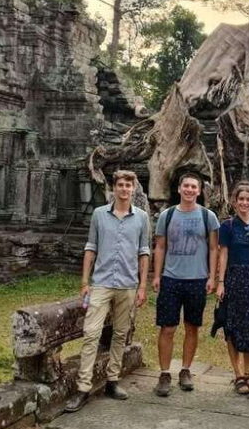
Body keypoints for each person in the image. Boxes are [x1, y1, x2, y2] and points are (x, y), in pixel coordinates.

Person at [65, 170, 151, 412]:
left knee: (120, 334)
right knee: (91, 333)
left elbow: (144, 252)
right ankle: (83, 387)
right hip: (101, 282)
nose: (124, 189)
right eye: (120, 185)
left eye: (128, 186)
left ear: (134, 189)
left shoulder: (142, 217)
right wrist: (85, 282)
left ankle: (112, 380)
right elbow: (91, 247)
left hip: (128, 284)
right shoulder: (99, 214)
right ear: (114, 188)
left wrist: (143, 286)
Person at [152, 172, 220, 396]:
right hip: (171, 278)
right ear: (179, 189)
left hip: (197, 279)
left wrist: (212, 277)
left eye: (194, 187)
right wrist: (157, 275)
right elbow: (160, 247)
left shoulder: (208, 216)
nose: (190, 190)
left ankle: (185, 370)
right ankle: (164, 373)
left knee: (192, 326)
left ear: (199, 191)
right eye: (186, 186)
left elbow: (214, 248)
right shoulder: (167, 215)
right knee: (167, 328)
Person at [217, 181, 249, 395]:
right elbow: (223, 254)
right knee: (232, 326)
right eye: (241, 199)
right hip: (233, 278)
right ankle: (238, 374)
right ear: (234, 201)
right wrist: (220, 282)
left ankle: (248, 373)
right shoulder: (227, 226)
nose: (245, 203)